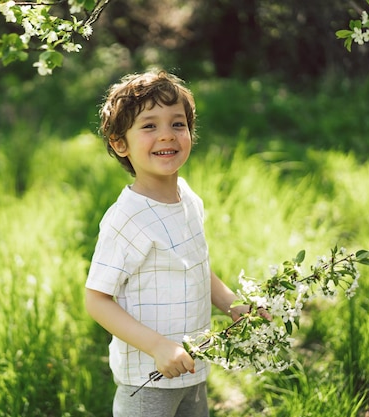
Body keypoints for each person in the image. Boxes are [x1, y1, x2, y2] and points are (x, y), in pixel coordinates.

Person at [84, 69, 252, 417]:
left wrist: (233, 304)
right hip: (148, 377)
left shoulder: (188, 198)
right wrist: (158, 347)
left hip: (193, 365)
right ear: (120, 143)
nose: (167, 136)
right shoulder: (126, 219)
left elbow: (195, 269)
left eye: (178, 124)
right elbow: (97, 300)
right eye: (149, 126)